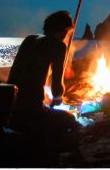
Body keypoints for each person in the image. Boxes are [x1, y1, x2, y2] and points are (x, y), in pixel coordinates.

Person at [7, 10, 78, 143]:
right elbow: (56, 88)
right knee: (70, 119)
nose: (66, 36)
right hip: (30, 113)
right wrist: (58, 97)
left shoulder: (29, 39)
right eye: (67, 33)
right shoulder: (58, 46)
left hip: (8, 111)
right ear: (65, 30)